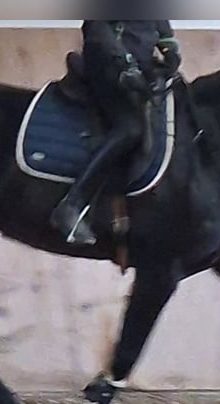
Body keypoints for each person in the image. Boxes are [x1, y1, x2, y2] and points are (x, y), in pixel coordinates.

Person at [50, 20, 183, 245]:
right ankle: (72, 204)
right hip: (106, 65)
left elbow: (160, 24)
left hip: (141, 66)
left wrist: (170, 50)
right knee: (131, 128)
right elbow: (96, 28)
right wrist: (124, 63)